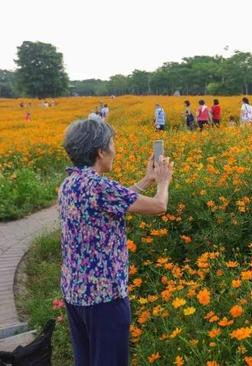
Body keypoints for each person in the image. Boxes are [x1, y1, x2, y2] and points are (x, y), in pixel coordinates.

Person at [58, 119, 174, 366]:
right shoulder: (99, 186)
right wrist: (163, 182)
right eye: (112, 143)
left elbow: (114, 200)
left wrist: (146, 180)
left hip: (75, 293)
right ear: (100, 151)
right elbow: (159, 206)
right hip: (104, 297)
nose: (115, 149)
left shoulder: (70, 183)